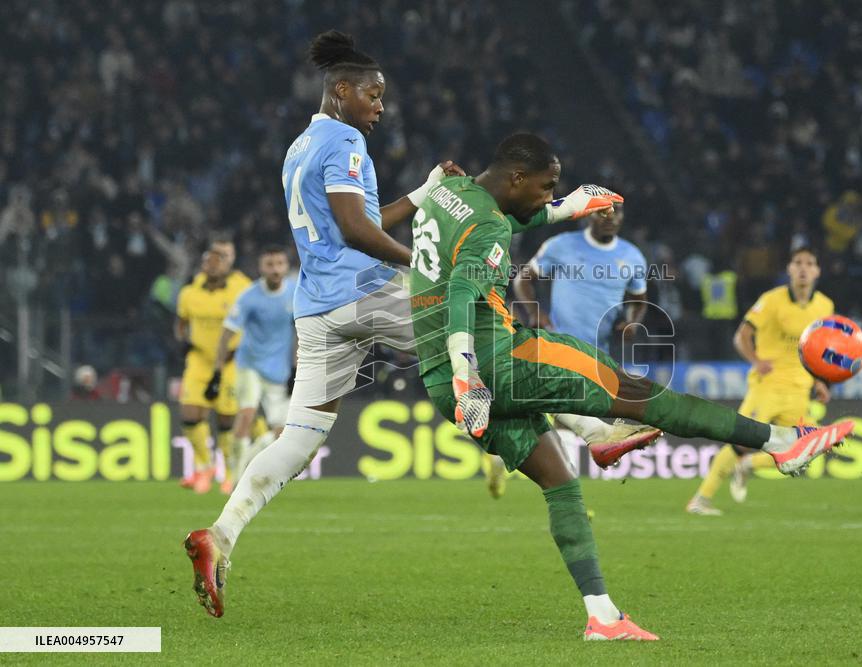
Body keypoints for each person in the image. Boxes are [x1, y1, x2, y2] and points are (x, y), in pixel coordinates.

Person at [184, 31, 661, 622]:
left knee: (299, 438)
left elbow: (352, 221)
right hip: (364, 290)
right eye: (374, 94)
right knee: (493, 336)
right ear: (341, 90)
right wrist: (424, 264)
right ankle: (595, 431)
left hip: (317, 306)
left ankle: (221, 534)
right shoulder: (348, 142)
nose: (381, 106)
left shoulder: (300, 145)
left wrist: (423, 192)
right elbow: (359, 233)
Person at [406, 133, 854, 640]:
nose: (548, 194)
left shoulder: (453, 193)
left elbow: (521, 217)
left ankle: (602, 615)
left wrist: (573, 205)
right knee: (643, 396)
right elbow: (466, 293)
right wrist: (471, 378)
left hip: (437, 379)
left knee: (559, 482)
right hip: (500, 361)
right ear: (515, 177)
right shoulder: (487, 223)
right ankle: (780, 444)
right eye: (546, 186)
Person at [503, 203, 658, 496]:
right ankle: (581, 467)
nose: (610, 219)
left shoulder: (632, 256)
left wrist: (631, 323)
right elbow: (523, 278)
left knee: (559, 420)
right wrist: (536, 314)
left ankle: (504, 462)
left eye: (617, 214)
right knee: (562, 408)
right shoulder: (561, 245)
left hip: (595, 352)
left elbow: (639, 299)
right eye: (603, 213)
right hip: (556, 343)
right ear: (590, 216)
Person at [686, 246, 834, 516]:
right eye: (797, 262)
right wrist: (756, 361)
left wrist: (820, 380)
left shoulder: (825, 306)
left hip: (799, 390)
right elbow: (741, 336)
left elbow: (814, 348)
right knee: (739, 441)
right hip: (767, 386)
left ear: (817, 271)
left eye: (809, 263)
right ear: (789, 269)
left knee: (813, 446)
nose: (803, 268)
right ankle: (700, 499)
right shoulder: (771, 300)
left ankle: (749, 466)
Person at [208, 245, 297, 493]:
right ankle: (235, 479)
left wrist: (296, 367)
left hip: (278, 371)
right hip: (249, 365)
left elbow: (300, 330)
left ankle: (246, 461)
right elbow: (226, 334)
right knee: (246, 414)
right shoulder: (249, 297)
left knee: (281, 433)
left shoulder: (294, 292)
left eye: (279, 264)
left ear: (286, 266)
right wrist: (217, 371)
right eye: (270, 265)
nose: (275, 270)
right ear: (261, 268)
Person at [175, 246, 252, 493]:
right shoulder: (189, 293)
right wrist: (182, 341)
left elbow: (253, 320)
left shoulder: (239, 289)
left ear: (227, 266)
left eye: (218, 261)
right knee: (189, 415)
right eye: (208, 261)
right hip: (199, 360)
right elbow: (181, 322)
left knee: (226, 420)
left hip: (230, 361)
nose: (213, 265)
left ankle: (229, 473)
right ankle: (205, 465)